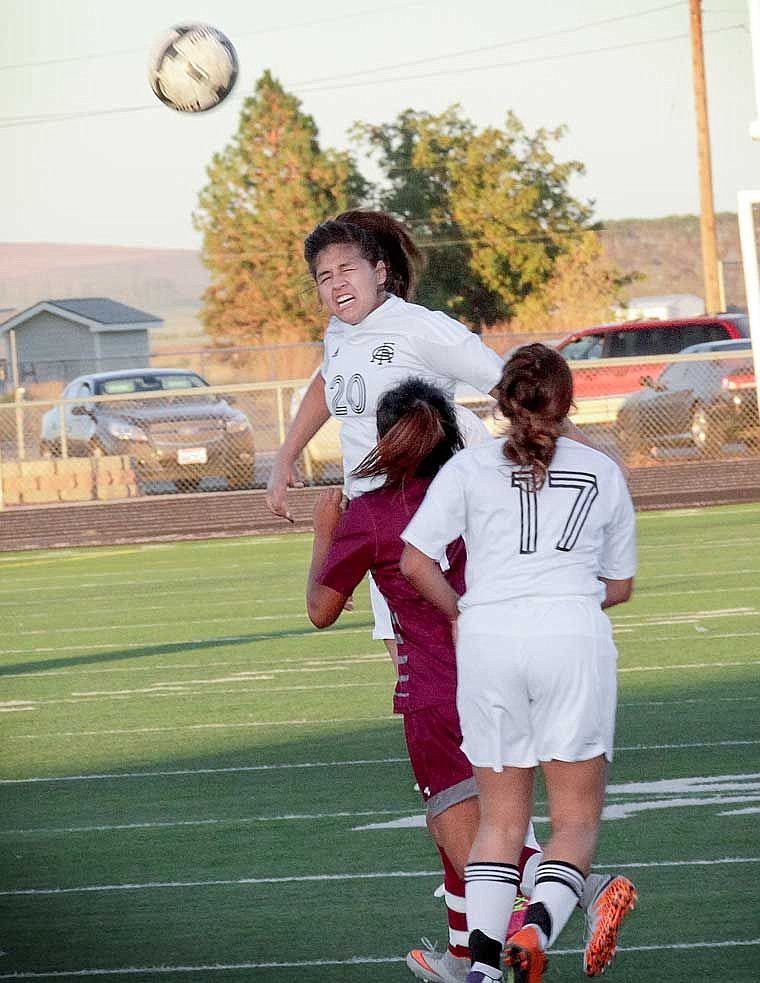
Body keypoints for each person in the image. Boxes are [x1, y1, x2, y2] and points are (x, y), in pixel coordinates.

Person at [307, 376, 636, 983]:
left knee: (483, 840)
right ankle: (464, 958)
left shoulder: (375, 514)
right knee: (471, 828)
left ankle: (576, 900)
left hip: (439, 692)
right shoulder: (483, 482)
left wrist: (325, 528)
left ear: (382, 439)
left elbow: (321, 609)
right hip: (523, 667)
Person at [400, 345, 637, 983]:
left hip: (489, 641)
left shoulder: (468, 468)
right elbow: (617, 585)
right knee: (576, 824)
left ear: (502, 401)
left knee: (500, 825)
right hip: (570, 637)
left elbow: (414, 561)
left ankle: (480, 972)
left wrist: (459, 613)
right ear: (567, 403)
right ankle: (536, 927)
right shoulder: (602, 471)